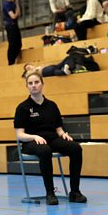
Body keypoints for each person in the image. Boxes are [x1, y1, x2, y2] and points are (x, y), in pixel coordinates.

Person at [14, 72, 87, 206]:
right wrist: (34, 136)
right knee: (45, 151)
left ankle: (75, 192)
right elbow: (20, 135)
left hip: (52, 139)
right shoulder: (22, 107)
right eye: (30, 83)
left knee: (76, 148)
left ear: (42, 84)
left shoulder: (52, 105)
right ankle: (50, 193)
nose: (34, 85)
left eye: (36, 82)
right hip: (31, 142)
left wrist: (63, 134)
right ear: (27, 86)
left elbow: (58, 129)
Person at [3, 0, 22, 65]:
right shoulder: (6, 4)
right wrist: (16, 14)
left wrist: (17, 3)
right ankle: (11, 62)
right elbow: (13, 16)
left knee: (19, 43)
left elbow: (19, 14)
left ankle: (16, 59)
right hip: (10, 25)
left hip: (15, 25)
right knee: (12, 44)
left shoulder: (13, 3)